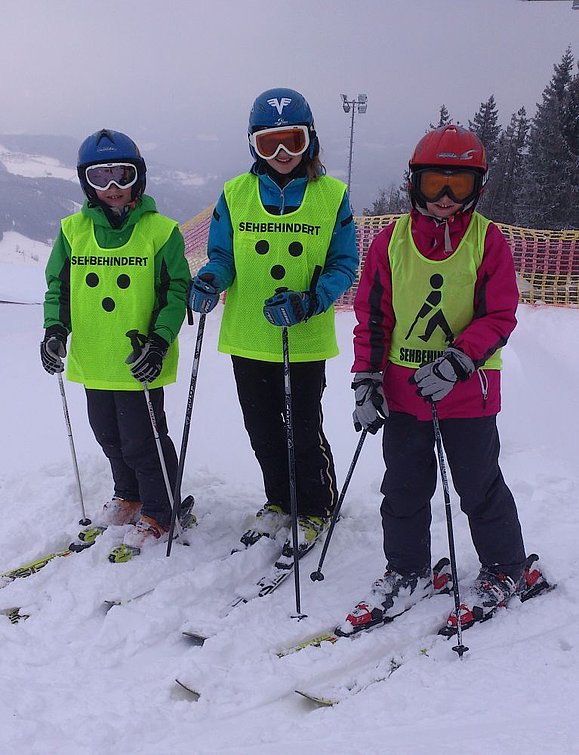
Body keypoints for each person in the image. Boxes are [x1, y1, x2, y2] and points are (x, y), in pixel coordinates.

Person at [338, 124, 548, 637]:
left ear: (478, 186)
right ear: (415, 183)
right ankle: (407, 570)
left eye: (459, 184)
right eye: (436, 184)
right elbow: (372, 318)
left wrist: (458, 361)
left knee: (478, 486)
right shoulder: (391, 241)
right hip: (404, 394)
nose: (447, 198)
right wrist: (366, 380)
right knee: (404, 488)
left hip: (467, 395)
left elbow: (500, 315)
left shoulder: (487, 241)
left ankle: (506, 567)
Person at [189, 87, 358, 566]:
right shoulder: (236, 194)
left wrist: (311, 301)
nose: (283, 154)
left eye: (293, 141)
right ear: (253, 146)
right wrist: (209, 280)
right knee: (261, 428)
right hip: (248, 335)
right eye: (269, 144)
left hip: (301, 337)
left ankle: (316, 505)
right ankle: (280, 500)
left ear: (310, 141)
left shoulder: (332, 196)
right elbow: (222, 257)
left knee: (301, 427)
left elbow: (345, 264)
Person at [41, 129, 190, 558]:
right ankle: (129, 494)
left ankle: (162, 509)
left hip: (139, 360)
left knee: (143, 439)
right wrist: (54, 331)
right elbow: (59, 289)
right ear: (86, 182)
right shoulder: (72, 231)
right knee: (108, 435)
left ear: (137, 177)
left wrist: (159, 343)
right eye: (100, 177)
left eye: (120, 175)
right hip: (93, 357)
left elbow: (174, 292)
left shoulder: (161, 232)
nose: (112, 188)